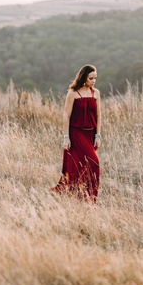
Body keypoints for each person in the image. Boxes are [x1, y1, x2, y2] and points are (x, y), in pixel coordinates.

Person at [52, 65, 101, 203]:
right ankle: (87, 197)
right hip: (76, 133)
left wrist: (98, 135)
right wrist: (66, 137)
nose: (93, 81)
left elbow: (99, 115)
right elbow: (66, 116)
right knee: (94, 162)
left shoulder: (96, 93)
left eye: (95, 78)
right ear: (83, 77)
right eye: (91, 78)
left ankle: (86, 197)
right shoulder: (72, 93)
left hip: (90, 133)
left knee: (82, 165)